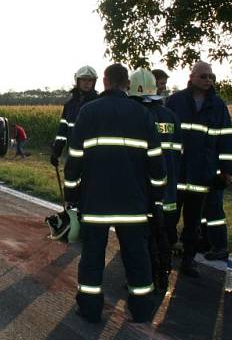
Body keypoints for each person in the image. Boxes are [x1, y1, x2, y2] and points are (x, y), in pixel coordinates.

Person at [64, 64, 166, 323]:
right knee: (137, 256)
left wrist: (72, 196)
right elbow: (156, 160)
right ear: (126, 85)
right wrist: (156, 198)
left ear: (106, 81)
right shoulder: (142, 114)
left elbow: (74, 158)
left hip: (96, 201)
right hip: (133, 202)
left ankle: (89, 308)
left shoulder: (88, 112)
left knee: (92, 256)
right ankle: (142, 308)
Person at [165, 62, 232, 276]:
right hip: (176, 174)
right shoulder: (175, 101)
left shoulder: (218, 106)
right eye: (203, 76)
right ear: (192, 76)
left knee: (194, 223)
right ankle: (164, 258)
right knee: (168, 220)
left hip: (200, 175)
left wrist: (227, 170)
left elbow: (226, 140)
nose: (208, 81)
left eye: (211, 77)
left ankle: (188, 260)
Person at [128, 68, 182, 292]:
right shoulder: (171, 116)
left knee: (143, 236)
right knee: (165, 233)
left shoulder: (136, 116)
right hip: (168, 189)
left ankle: (148, 277)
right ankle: (164, 272)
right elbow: (177, 154)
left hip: (143, 191)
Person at [50, 65, 99, 168]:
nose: (87, 83)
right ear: (77, 81)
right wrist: (56, 152)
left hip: (93, 156)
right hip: (73, 155)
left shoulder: (99, 103)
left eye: (90, 80)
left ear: (94, 82)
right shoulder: (69, 105)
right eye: (84, 80)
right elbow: (62, 132)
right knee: (71, 183)